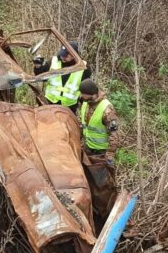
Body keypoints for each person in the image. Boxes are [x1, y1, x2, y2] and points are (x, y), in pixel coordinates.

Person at [77, 79, 119, 227]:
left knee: (103, 187)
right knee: (89, 184)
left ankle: (108, 215)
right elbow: (83, 126)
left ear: (92, 94)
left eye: (84, 94)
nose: (81, 97)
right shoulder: (85, 104)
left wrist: (110, 155)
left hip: (101, 155)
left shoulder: (106, 109)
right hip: (88, 151)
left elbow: (114, 134)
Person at [33, 41, 91, 111]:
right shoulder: (53, 61)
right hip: (49, 104)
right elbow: (41, 77)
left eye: (66, 55)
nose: (62, 56)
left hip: (69, 108)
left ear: (74, 54)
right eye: (62, 54)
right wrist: (38, 66)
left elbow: (85, 90)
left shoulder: (84, 67)